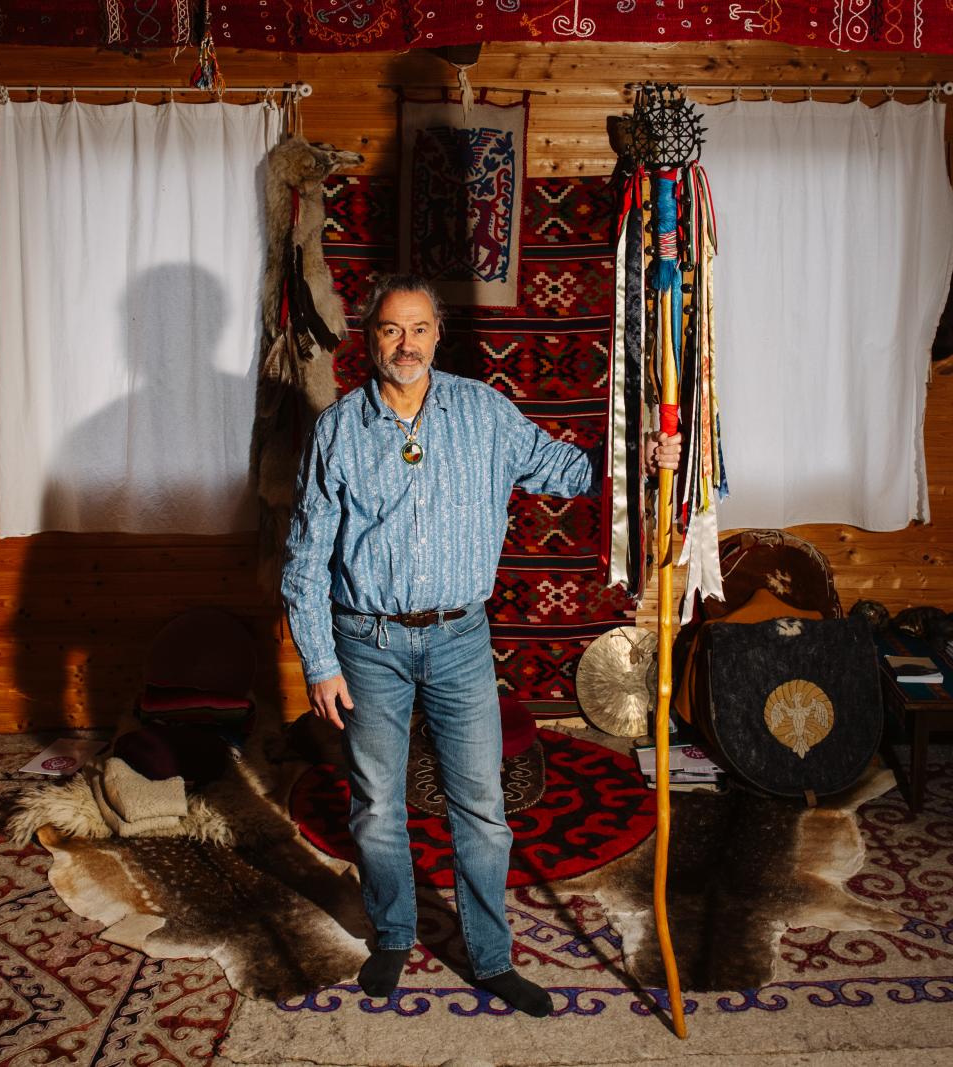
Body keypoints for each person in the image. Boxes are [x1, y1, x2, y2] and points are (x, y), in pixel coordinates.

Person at [281, 274, 680, 1016]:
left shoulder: (484, 412)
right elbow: (305, 557)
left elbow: (568, 470)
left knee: (483, 807)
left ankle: (491, 956)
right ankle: (394, 933)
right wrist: (321, 662)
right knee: (375, 805)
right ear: (369, 339)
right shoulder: (337, 431)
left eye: (419, 329)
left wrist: (642, 457)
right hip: (366, 642)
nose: (406, 344)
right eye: (391, 330)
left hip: (461, 638)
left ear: (439, 334)